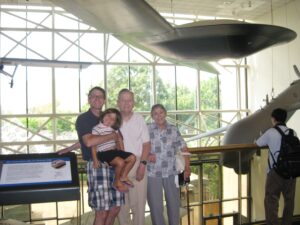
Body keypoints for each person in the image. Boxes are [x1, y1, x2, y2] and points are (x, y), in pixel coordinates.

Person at [58, 87, 125, 225]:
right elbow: (88, 141)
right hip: (97, 165)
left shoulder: (108, 117)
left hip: (114, 165)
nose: (97, 99)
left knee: (115, 208)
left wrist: (70, 147)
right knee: (102, 210)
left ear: (104, 100)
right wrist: (112, 135)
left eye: (100, 96)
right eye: (93, 96)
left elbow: (110, 138)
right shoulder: (84, 119)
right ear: (89, 99)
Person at [147, 104, 191, 225]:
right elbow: (139, 147)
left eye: (161, 112)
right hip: (152, 173)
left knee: (174, 204)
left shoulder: (173, 129)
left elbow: (184, 148)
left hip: (172, 172)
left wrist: (187, 168)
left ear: (165, 113)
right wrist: (146, 156)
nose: (158, 115)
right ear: (152, 116)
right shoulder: (147, 129)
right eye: (155, 113)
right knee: (155, 206)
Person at [255, 108, 297, 225]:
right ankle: (287, 222)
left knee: (271, 200)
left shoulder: (270, 132)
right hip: (291, 170)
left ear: (273, 119)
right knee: (289, 200)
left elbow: (257, 143)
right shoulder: (293, 132)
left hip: (275, 172)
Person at [116, 88, 151, 225]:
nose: (126, 103)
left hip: (137, 164)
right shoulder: (112, 119)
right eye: (123, 100)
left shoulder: (139, 119)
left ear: (133, 103)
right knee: (122, 207)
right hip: (119, 166)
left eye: (129, 100)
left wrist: (142, 165)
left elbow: (147, 144)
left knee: (139, 206)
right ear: (118, 102)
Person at [91, 108, 136, 192]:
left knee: (132, 157)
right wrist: (95, 160)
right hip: (103, 153)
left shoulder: (114, 129)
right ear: (103, 115)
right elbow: (93, 145)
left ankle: (123, 176)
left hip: (114, 152)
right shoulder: (96, 129)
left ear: (115, 122)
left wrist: (122, 152)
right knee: (120, 162)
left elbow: (119, 140)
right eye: (108, 116)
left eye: (113, 119)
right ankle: (116, 181)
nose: (110, 119)